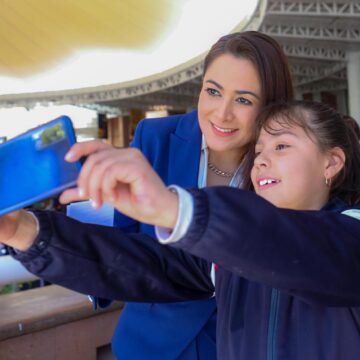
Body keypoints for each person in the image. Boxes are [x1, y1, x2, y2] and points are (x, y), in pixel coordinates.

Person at [2, 100, 360, 360]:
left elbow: (302, 248)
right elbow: (137, 266)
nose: (262, 159)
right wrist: (24, 232)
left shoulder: (350, 236)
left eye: (282, 146)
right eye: (259, 149)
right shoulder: (229, 259)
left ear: (332, 162)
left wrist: (172, 206)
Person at [72, 30, 295, 359]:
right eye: (213, 92)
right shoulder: (155, 139)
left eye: (244, 100)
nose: (222, 113)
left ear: (270, 106)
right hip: (150, 345)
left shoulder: (286, 162)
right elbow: (125, 245)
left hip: (244, 346)